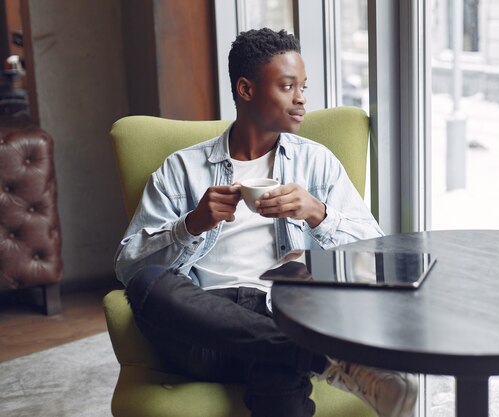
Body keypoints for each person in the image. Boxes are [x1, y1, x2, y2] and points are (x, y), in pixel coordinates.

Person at [114, 27, 417, 417]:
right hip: (203, 327)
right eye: (288, 86)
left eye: (303, 87)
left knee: (277, 365)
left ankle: (295, 352)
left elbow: (375, 257)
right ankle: (320, 359)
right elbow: (127, 265)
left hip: (285, 310)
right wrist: (190, 224)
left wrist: (317, 214)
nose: (301, 99)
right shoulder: (181, 169)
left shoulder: (317, 162)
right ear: (246, 89)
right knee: (146, 284)